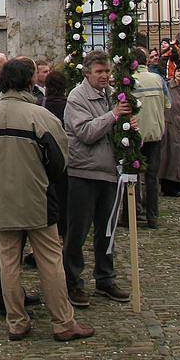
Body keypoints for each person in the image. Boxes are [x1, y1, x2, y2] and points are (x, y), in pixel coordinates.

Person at [0, 58, 93, 342]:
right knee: (50, 260)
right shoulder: (41, 117)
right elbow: (59, 162)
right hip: (36, 198)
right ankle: (63, 322)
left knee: (9, 260)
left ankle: (16, 321)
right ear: (29, 82)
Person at [63, 50, 132, 307]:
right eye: (99, 72)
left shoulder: (111, 95)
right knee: (78, 230)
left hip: (109, 171)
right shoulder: (77, 97)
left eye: (107, 72)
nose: (104, 76)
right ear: (87, 73)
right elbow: (85, 132)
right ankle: (72, 281)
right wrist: (113, 115)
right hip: (83, 171)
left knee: (107, 230)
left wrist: (126, 127)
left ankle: (105, 278)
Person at [133, 47, 171, 227]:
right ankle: (152, 215)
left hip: (135, 134)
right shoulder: (158, 79)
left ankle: (133, 213)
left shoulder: (129, 81)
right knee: (152, 176)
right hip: (155, 133)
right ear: (146, 61)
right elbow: (167, 103)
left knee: (133, 175)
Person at [159, 63, 180, 197]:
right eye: (178, 71)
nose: (179, 73)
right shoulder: (167, 87)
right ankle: (168, 186)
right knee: (168, 156)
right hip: (169, 125)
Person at [43, 69, 69, 238]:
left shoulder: (42, 107)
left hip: (46, 159)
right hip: (64, 160)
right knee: (63, 199)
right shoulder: (68, 106)